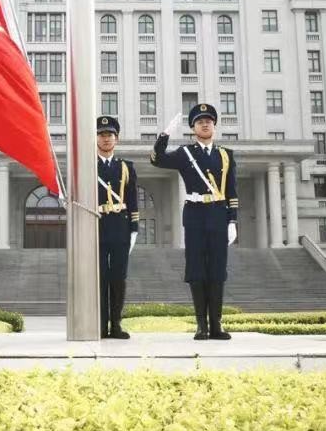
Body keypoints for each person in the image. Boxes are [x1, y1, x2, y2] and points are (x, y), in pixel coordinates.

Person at [150, 103, 238, 340]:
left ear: (214, 125)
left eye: (209, 120)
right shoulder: (185, 153)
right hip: (195, 213)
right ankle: (202, 326)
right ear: (193, 128)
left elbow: (231, 191)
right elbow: (157, 160)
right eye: (200, 121)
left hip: (219, 213)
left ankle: (216, 325)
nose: (205, 124)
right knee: (197, 269)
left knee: (218, 270)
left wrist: (232, 221)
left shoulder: (226, 155)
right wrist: (165, 135)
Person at [96, 115, 138, 339]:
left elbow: (132, 200)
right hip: (98, 226)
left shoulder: (126, 167)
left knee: (119, 278)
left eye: (109, 135)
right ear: (95, 139)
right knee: (101, 278)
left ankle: (116, 324)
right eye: (102, 135)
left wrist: (134, 228)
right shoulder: (88, 166)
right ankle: (102, 324)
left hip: (120, 227)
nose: (105, 139)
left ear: (116, 139)